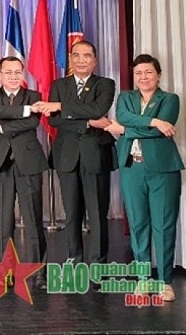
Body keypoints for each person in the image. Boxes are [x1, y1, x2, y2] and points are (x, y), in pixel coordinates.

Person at [105, 54, 183, 302]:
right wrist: (154, 122)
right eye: (139, 73)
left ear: (158, 75)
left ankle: (165, 281)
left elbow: (162, 130)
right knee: (139, 226)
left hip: (163, 169)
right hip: (132, 168)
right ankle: (143, 280)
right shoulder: (126, 98)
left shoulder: (170, 99)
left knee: (163, 225)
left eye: (148, 72)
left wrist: (126, 130)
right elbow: (126, 117)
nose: (143, 77)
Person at [34, 40, 116, 272]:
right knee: (72, 214)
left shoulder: (105, 84)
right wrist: (88, 122)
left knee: (97, 214)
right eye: (76, 56)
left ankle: (98, 266)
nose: (81, 60)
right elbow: (53, 119)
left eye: (87, 56)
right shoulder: (59, 84)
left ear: (95, 60)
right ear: (70, 59)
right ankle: (75, 263)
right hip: (66, 155)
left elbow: (98, 109)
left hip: (95, 154)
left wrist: (62, 106)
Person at [0, 57, 48, 289]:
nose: (13, 76)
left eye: (17, 72)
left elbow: (31, 123)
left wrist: (1, 126)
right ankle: (6, 271)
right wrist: (22, 113)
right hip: (1, 162)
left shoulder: (34, 96)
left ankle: (39, 272)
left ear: (23, 74)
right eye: (8, 72)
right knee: (3, 221)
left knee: (33, 219)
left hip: (28, 161)